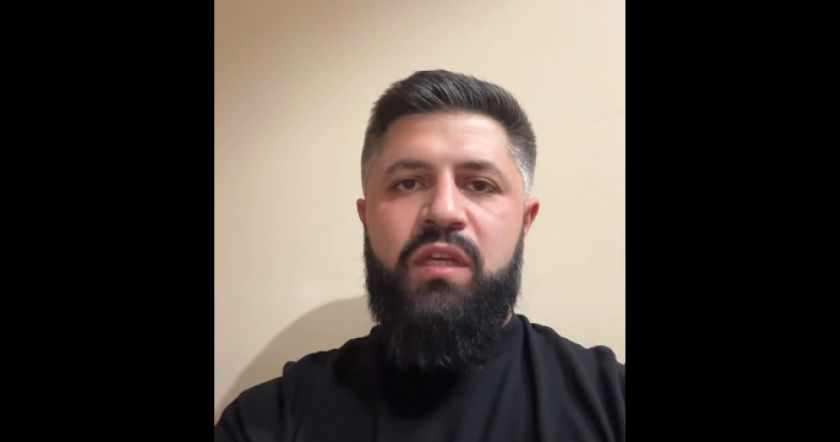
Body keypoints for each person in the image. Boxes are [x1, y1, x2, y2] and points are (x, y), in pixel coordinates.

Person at [215, 69, 625, 442]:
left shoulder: (613, 405)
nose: (443, 211)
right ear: (366, 218)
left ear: (525, 220)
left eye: (480, 185)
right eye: (408, 183)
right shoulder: (267, 421)